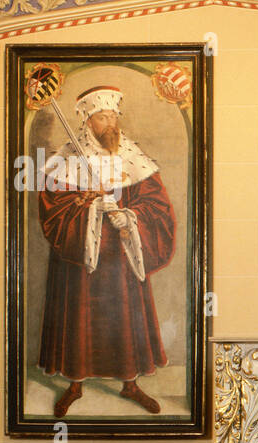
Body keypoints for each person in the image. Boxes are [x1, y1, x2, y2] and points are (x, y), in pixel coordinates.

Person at [38, 86, 176, 418]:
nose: (111, 123)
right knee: (79, 319)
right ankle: (75, 385)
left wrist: (131, 216)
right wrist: (90, 204)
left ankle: (130, 383)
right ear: (88, 121)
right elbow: (52, 208)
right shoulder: (67, 158)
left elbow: (157, 206)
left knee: (125, 319)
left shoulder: (133, 155)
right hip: (80, 261)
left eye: (114, 115)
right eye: (103, 116)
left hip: (123, 257)